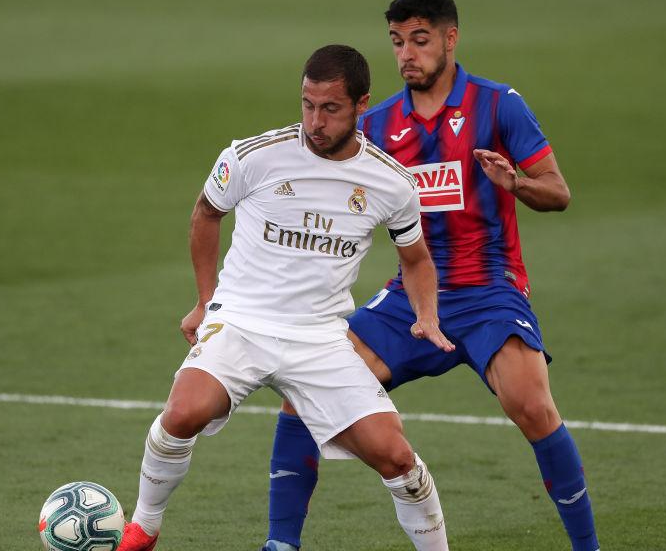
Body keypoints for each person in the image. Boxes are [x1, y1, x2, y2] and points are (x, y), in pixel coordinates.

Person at [262, 0, 600, 551]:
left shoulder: (497, 105)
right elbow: (324, 179)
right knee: (302, 391)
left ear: (450, 38)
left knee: (533, 405)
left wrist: (513, 183)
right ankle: (280, 543)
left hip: (490, 291)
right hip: (408, 299)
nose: (406, 55)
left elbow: (559, 192)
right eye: (397, 42)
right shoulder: (381, 123)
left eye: (419, 41)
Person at [117, 45, 455, 551]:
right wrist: (206, 300)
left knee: (397, 458)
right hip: (243, 321)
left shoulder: (392, 182)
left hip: (321, 339)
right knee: (184, 413)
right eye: (307, 104)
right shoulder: (254, 156)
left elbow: (417, 258)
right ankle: (144, 527)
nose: (314, 122)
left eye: (330, 108)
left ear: (362, 104)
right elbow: (206, 213)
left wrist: (426, 313)